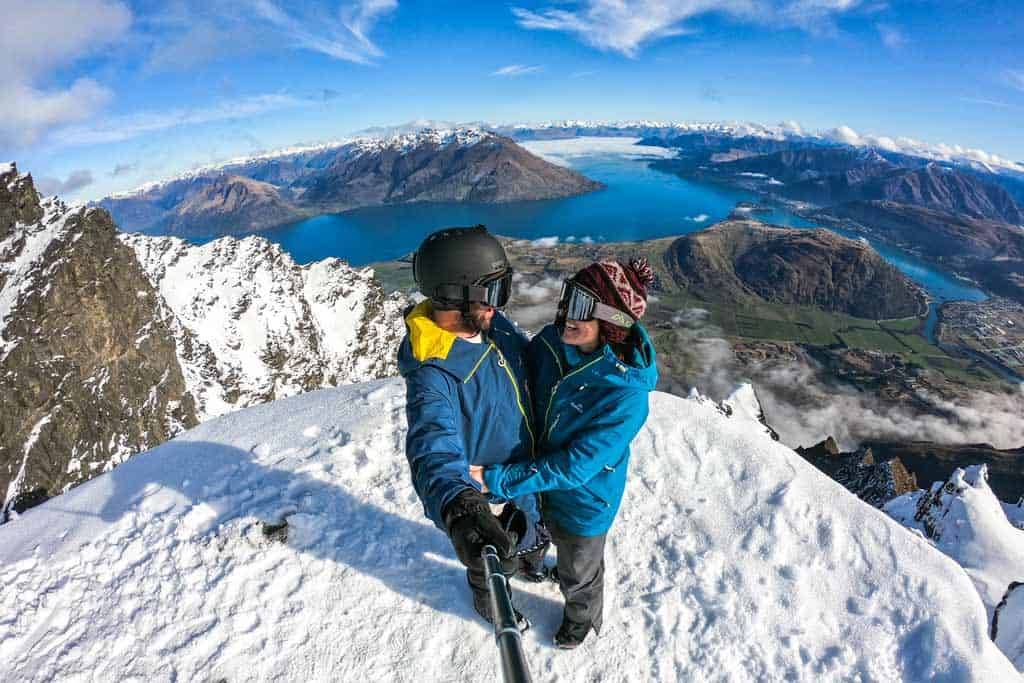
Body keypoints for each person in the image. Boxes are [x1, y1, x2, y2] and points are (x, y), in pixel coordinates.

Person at [471, 258, 658, 649]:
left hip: (582, 502)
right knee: (531, 535)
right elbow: (521, 364)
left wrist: (497, 478)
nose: (565, 315)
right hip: (537, 483)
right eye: (568, 298)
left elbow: (576, 466)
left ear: (612, 322)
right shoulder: (555, 343)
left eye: (580, 307)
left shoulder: (626, 397)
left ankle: (581, 619)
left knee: (579, 572)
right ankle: (533, 565)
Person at [397, 225, 549, 633]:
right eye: (492, 293)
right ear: (458, 293)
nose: (498, 307)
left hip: (524, 477)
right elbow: (433, 448)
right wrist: (462, 508)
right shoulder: (433, 375)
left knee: (534, 534)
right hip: (489, 498)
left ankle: (534, 562)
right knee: (495, 558)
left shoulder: (489, 326)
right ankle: (490, 604)